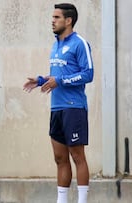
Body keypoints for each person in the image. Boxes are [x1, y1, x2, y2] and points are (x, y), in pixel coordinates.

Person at [23, 3, 93, 203]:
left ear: (68, 20)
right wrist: (41, 81)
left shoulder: (80, 43)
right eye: (52, 17)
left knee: (77, 157)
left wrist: (60, 80)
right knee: (60, 159)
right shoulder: (55, 45)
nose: (52, 21)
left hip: (74, 107)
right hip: (56, 108)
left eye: (56, 17)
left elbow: (88, 74)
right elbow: (58, 76)